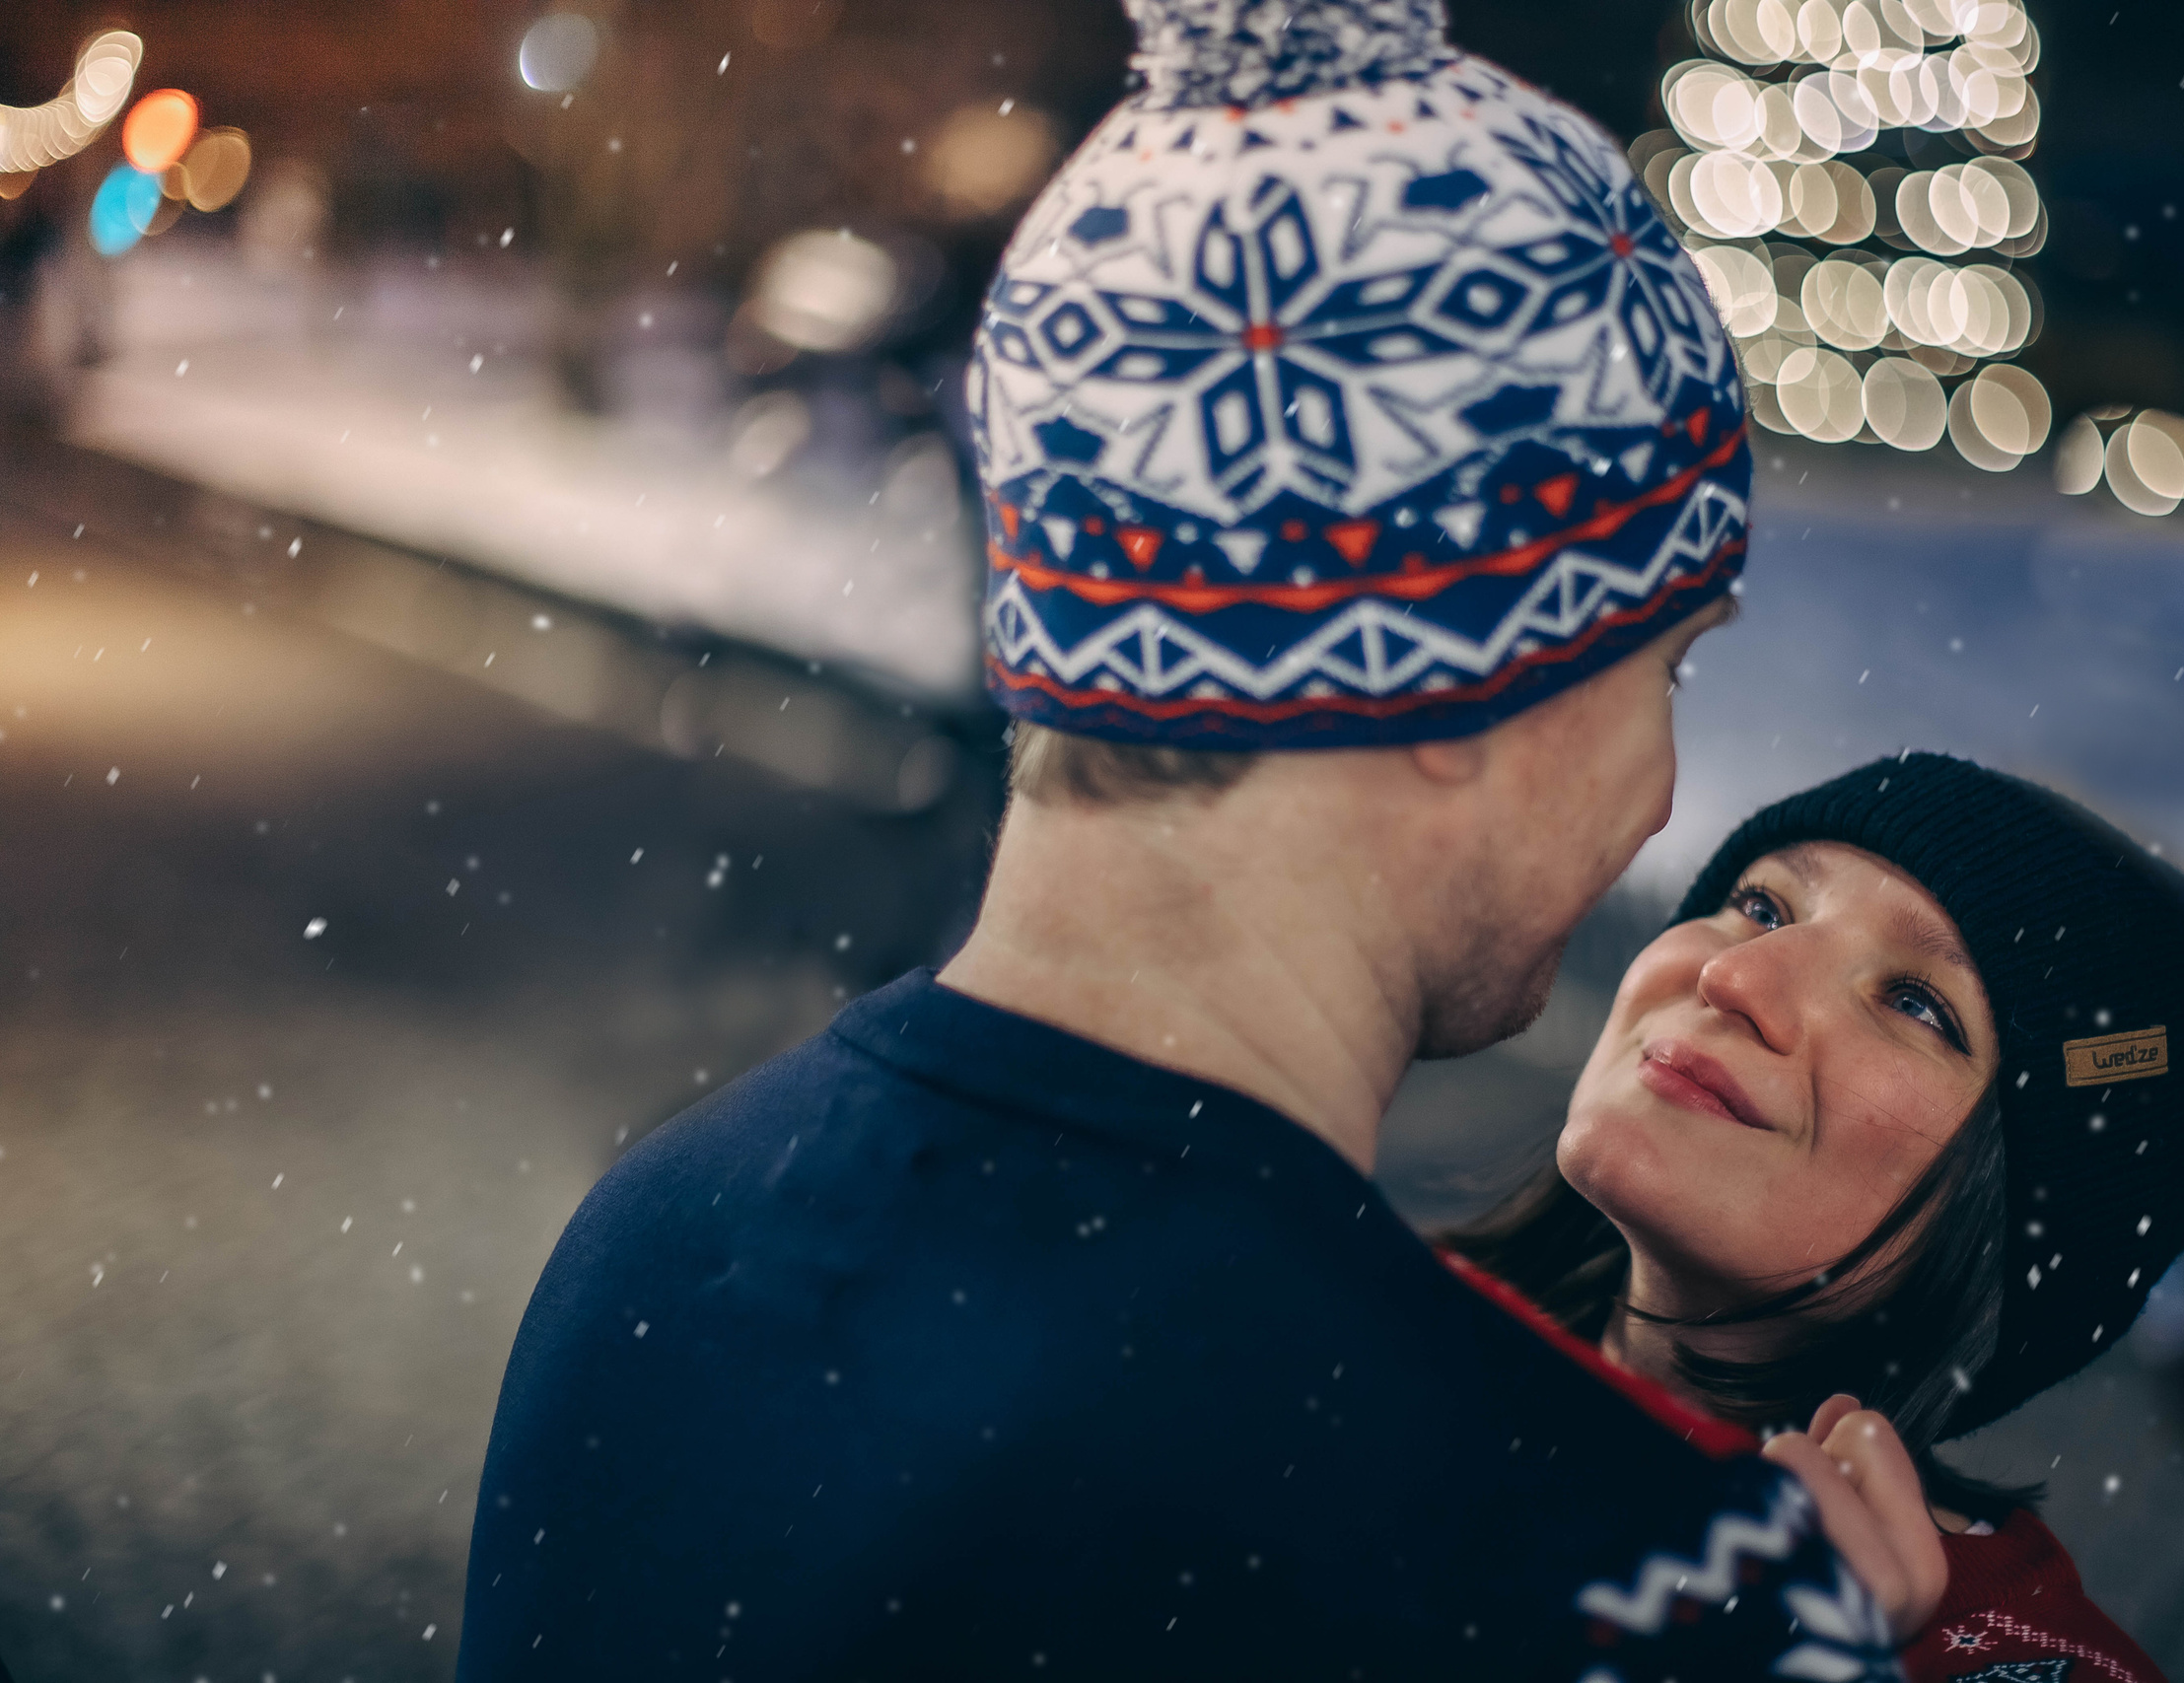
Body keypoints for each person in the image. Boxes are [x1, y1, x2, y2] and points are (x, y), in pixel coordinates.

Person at [458, 3, 1915, 1678]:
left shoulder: (652, 1249)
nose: (1662, 792)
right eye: (1666, 663)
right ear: (1455, 677)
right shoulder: (1620, 1571)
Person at [1447, 751, 2184, 1682]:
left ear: (2009, 1233)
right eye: (1763, 905)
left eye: (1919, 1004)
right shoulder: (1341, 1319)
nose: (1736, 974)